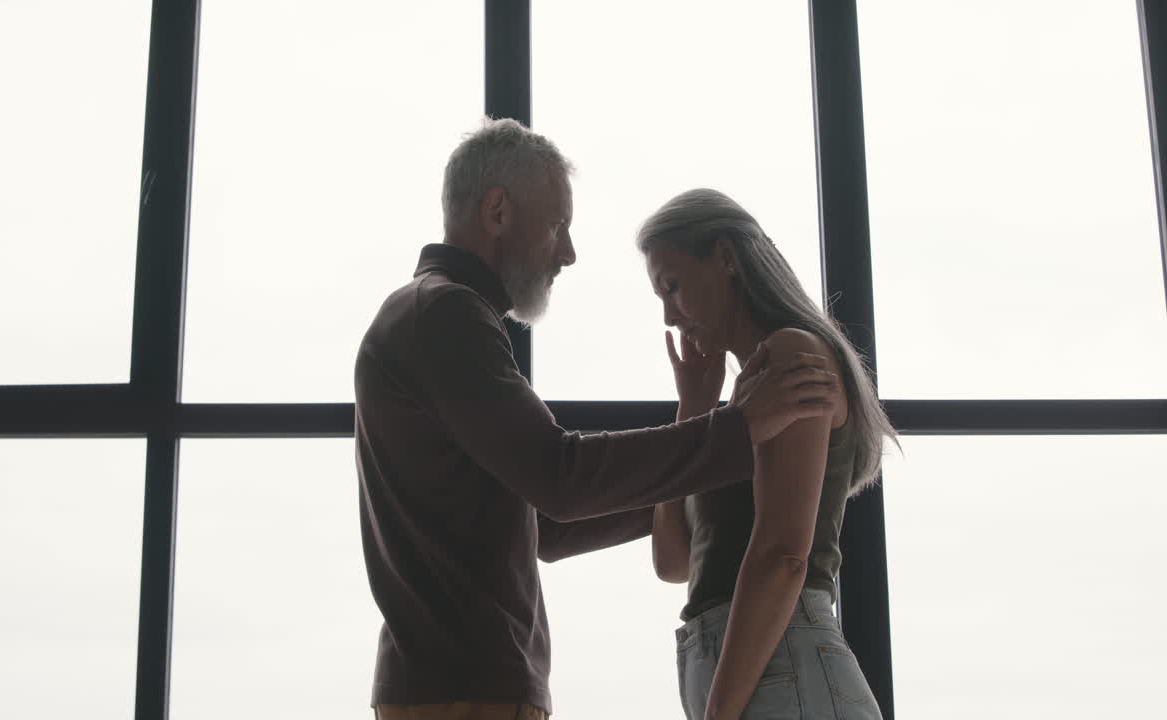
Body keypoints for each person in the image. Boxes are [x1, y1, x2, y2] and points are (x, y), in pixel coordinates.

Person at [354, 119, 843, 720]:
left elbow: (546, 527)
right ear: (498, 211)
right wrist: (737, 430)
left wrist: (709, 464)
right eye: (557, 224)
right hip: (466, 687)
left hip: (456, 683)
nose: (568, 252)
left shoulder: (432, 314)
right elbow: (561, 478)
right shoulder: (446, 315)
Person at [641, 188, 896, 719]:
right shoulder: (749, 405)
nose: (668, 315)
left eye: (672, 286)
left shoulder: (792, 355)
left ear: (725, 258)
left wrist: (719, 714)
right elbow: (673, 562)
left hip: (779, 662)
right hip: (754, 667)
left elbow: (783, 556)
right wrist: (692, 411)